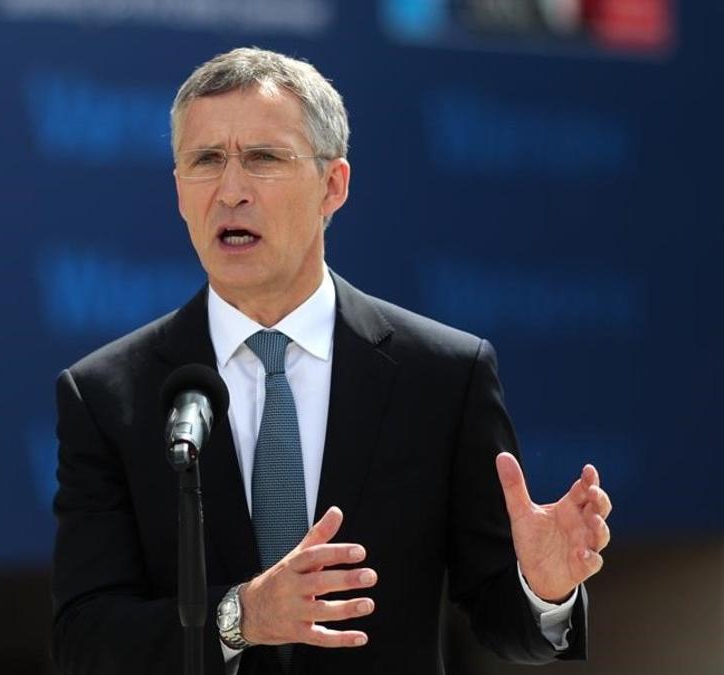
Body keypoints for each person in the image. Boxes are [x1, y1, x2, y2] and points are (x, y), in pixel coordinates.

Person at [50, 47, 612, 675]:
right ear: (179, 191)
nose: (231, 191)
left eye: (263, 158)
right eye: (206, 161)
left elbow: (502, 622)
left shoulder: (443, 375)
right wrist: (244, 616)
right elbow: (85, 640)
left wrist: (544, 589)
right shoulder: (106, 395)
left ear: (333, 185)